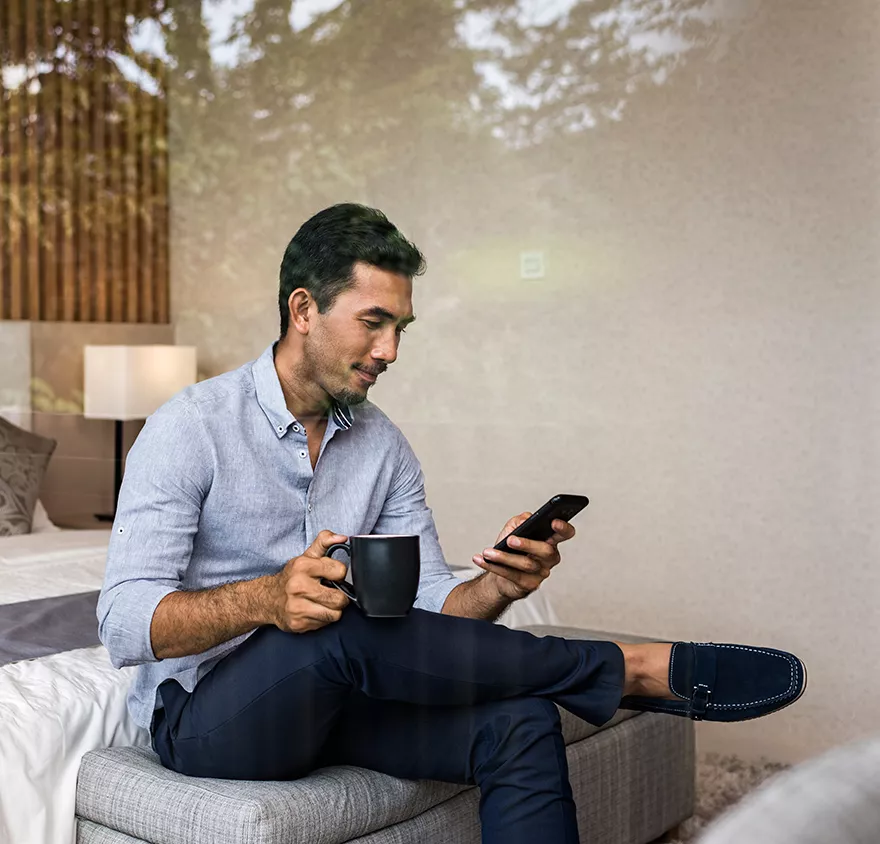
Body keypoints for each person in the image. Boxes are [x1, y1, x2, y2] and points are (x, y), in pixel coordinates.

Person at [97, 203, 806, 844]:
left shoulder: (385, 447)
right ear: (304, 309)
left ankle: (611, 672)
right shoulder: (188, 427)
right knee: (338, 621)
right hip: (211, 722)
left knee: (519, 720)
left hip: (343, 703)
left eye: (399, 329)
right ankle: (628, 668)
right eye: (373, 322)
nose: (390, 352)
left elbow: (434, 605)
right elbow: (123, 622)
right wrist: (267, 599)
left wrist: (498, 587)